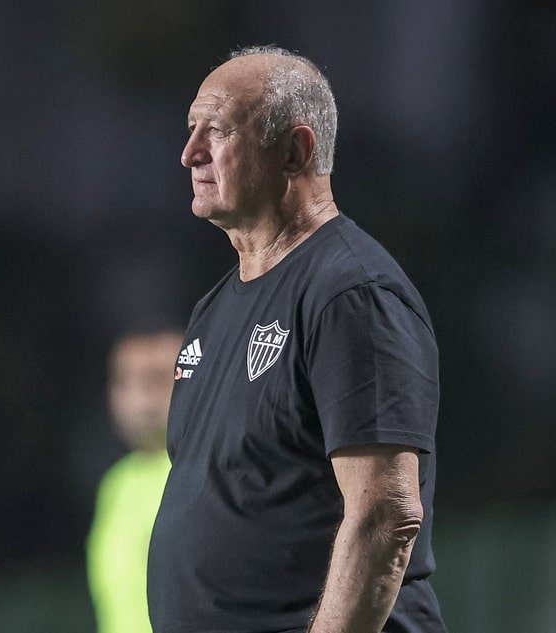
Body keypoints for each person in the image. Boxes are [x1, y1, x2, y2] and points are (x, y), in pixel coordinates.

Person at [147, 46, 446, 633]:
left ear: (296, 151)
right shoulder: (214, 308)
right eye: (190, 130)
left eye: (219, 130)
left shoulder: (350, 292)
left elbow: (386, 513)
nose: (190, 153)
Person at [85, 326, 184, 633]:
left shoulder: (213, 471)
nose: (138, 396)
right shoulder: (116, 483)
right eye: (123, 381)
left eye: (155, 379)